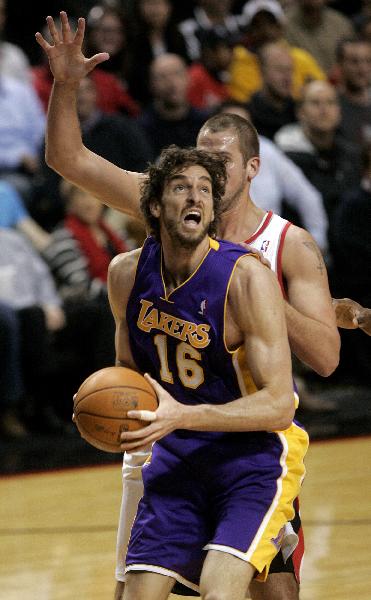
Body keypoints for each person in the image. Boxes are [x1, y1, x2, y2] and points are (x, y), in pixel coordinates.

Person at [36, 12, 343, 600]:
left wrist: (254, 297)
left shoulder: (283, 247)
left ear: (250, 171)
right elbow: (70, 160)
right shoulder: (167, 210)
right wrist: (68, 84)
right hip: (171, 434)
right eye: (195, 162)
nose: (203, 176)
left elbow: (326, 359)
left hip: (250, 435)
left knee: (272, 592)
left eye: (218, 166)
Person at [107, 144, 309, 599]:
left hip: (253, 460)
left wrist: (181, 416)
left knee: (221, 593)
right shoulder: (125, 274)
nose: (196, 197)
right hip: (176, 457)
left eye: (205, 190)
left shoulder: (245, 278)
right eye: (181, 188)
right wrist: (118, 417)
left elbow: (279, 404)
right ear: (156, 205)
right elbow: (127, 374)